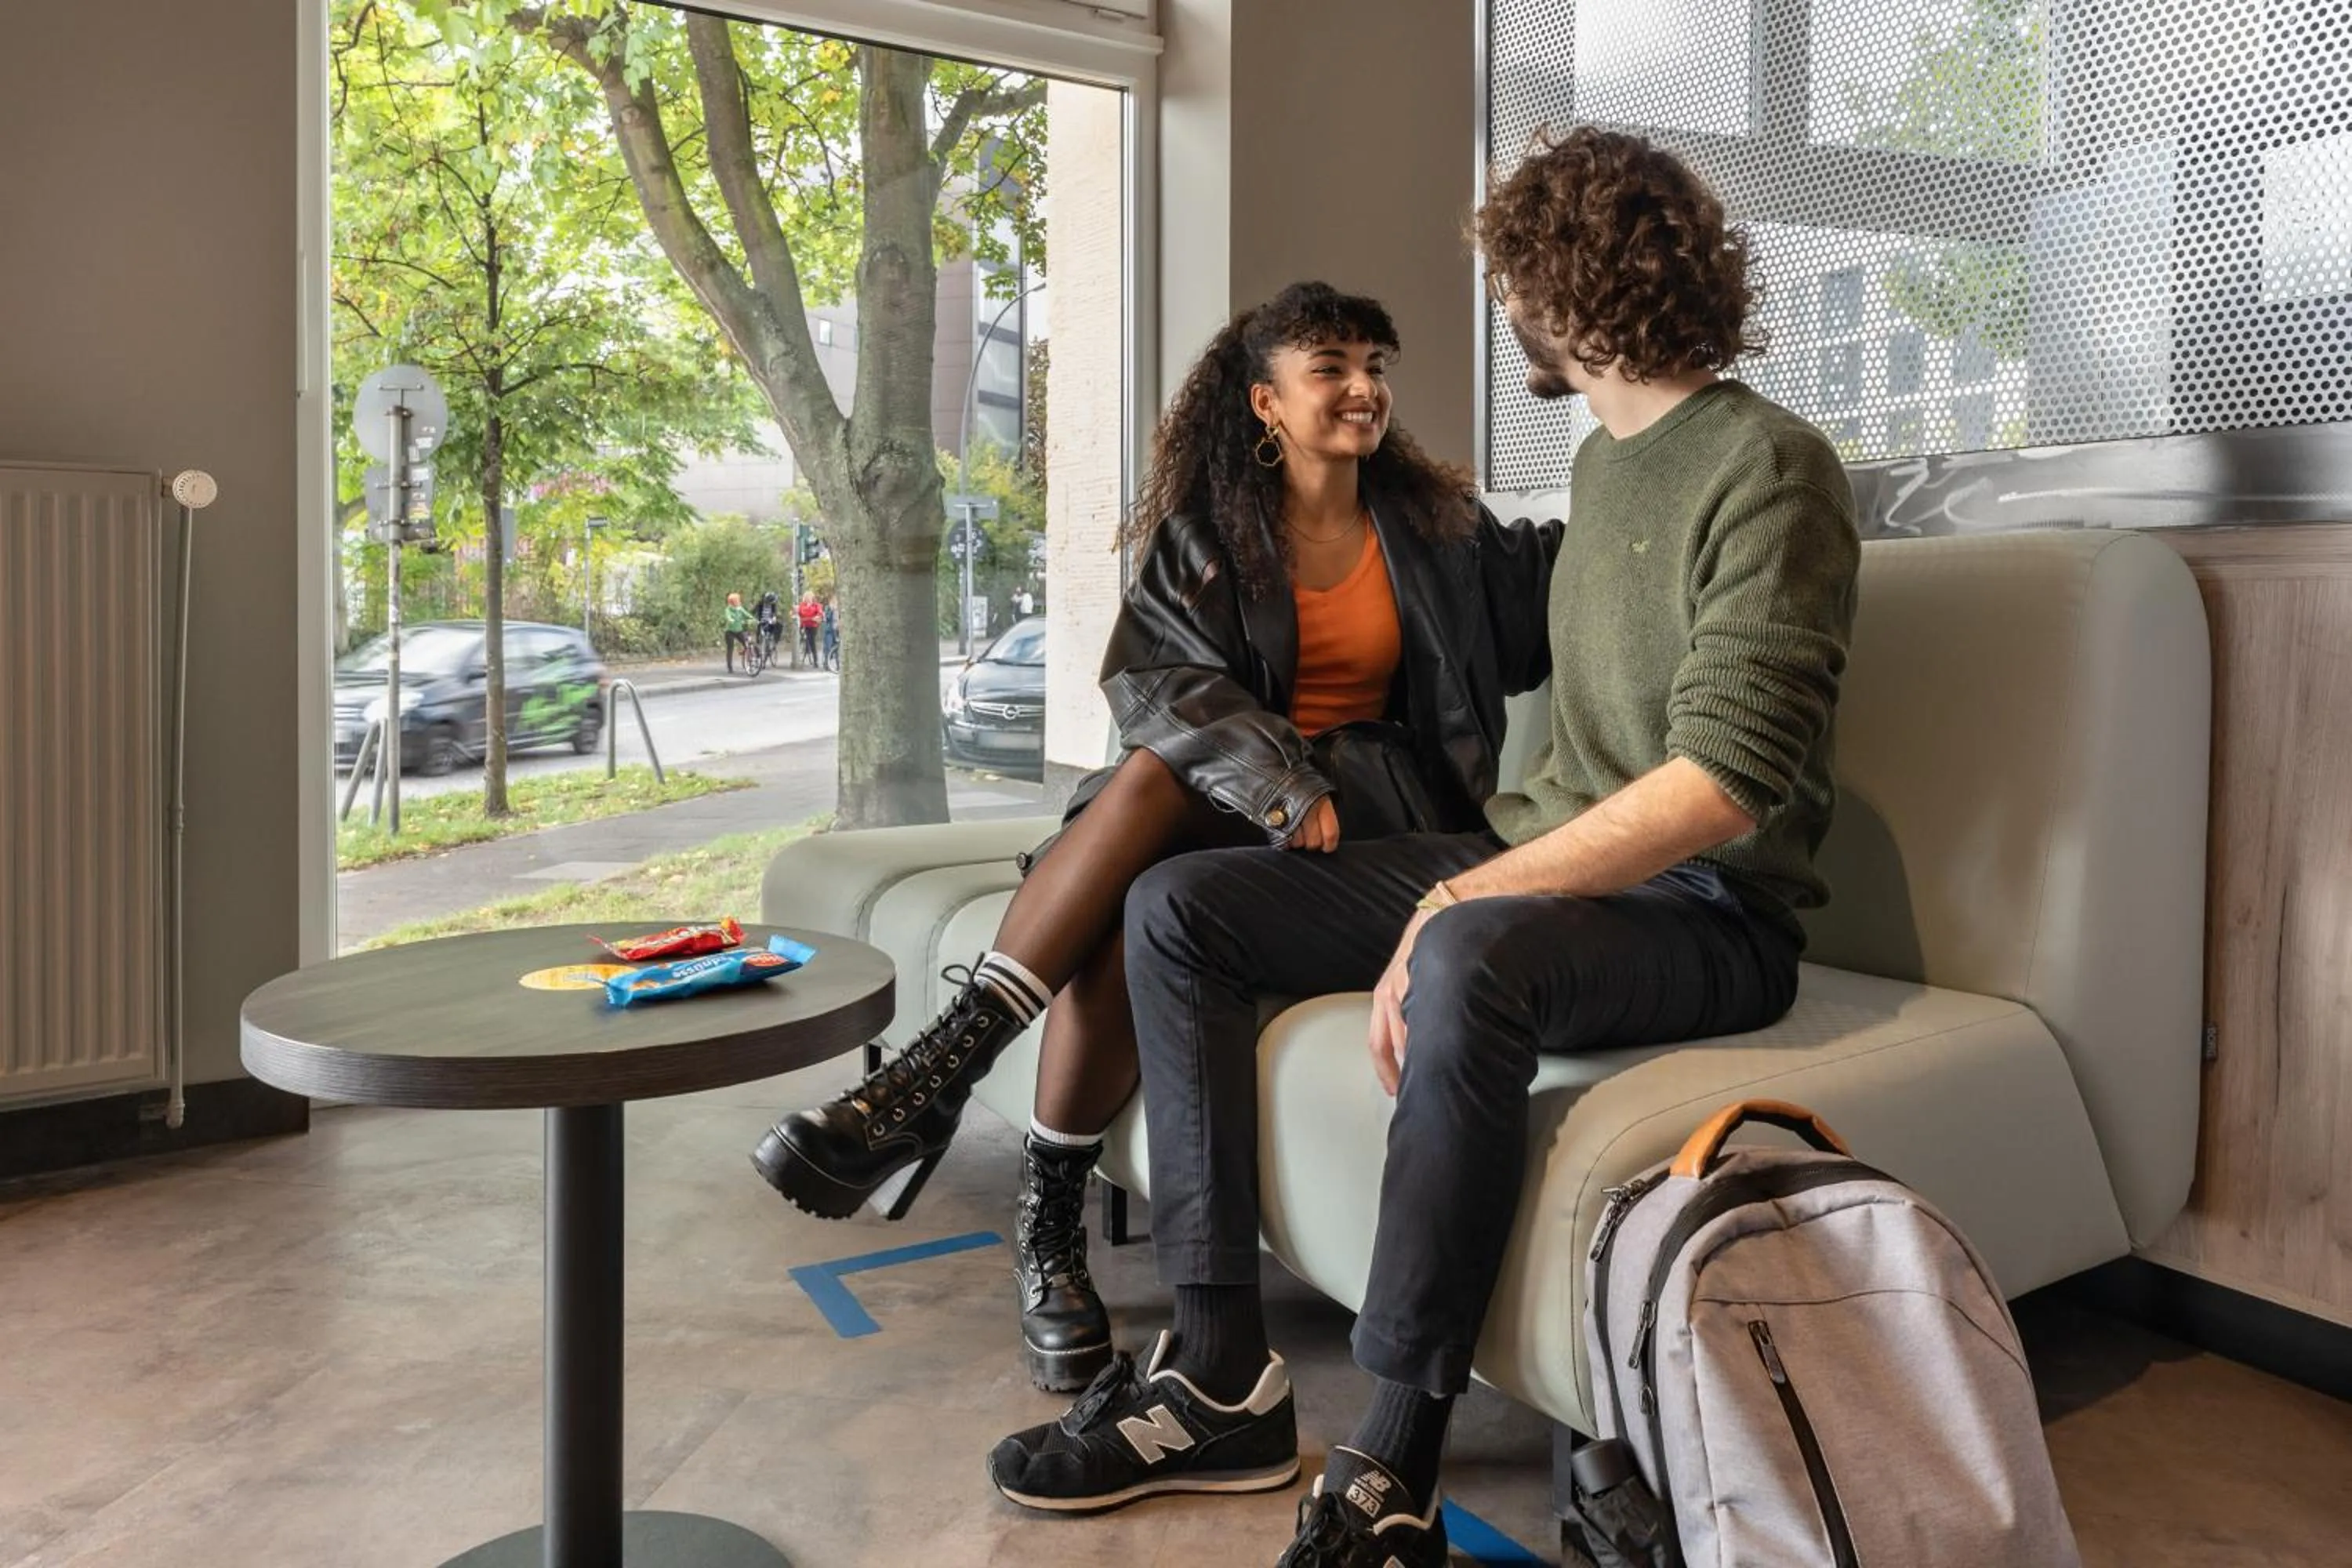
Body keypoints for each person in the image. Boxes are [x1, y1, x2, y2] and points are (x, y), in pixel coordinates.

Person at [982, 129, 1863, 1565]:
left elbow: (1725, 783)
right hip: (1563, 857)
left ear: (1563, 295)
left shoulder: (1772, 466)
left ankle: (1395, 1454)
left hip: (1710, 910)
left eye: (1514, 280)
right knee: (1179, 910)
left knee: (1468, 949)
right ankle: (1218, 1373)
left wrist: (1462, 885)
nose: (1501, 311)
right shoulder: (1606, 465)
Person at [752, 281, 1557, 1396]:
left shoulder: (1442, 535)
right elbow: (1155, 681)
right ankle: (1047, 1223)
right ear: (1267, 401)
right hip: (1247, 816)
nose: (1364, 386)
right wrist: (1274, 781)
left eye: (1377, 362)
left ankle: (945, 1079)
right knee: (1134, 889)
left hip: (1384, 826)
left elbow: (1570, 586)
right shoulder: (1209, 541)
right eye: (1330, 365)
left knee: (1144, 803)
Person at [722, 592, 750, 674]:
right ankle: (730, 667)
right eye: (736, 600)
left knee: (747, 644)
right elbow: (728, 616)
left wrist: (753, 619)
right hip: (730, 631)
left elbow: (747, 615)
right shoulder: (728, 609)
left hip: (739, 631)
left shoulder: (740, 609)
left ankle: (745, 653)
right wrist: (730, 620)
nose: (738, 602)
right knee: (730, 648)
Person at [754, 590, 784, 665]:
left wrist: (774, 617)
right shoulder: (760, 604)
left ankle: (774, 642)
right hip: (761, 622)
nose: (770, 604)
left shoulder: (773, 605)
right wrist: (755, 619)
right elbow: (755, 612)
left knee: (779, 626)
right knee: (758, 638)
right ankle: (759, 654)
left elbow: (774, 613)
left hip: (770, 622)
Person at [797, 592, 822, 666]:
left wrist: (817, 617)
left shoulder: (816, 605)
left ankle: (815, 660)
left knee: (812, 641)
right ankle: (805, 652)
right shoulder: (802, 605)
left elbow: (820, 613)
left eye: (809, 597)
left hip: (813, 625)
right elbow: (798, 612)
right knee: (805, 639)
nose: (808, 599)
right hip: (804, 624)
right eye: (806, 597)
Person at [820, 597, 839, 670]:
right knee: (828, 648)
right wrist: (831, 610)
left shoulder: (838, 610)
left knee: (836, 649)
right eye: (833, 603)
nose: (834, 605)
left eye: (835, 603)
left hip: (836, 631)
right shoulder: (828, 609)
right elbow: (826, 618)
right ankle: (826, 664)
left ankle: (838, 665)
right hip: (829, 631)